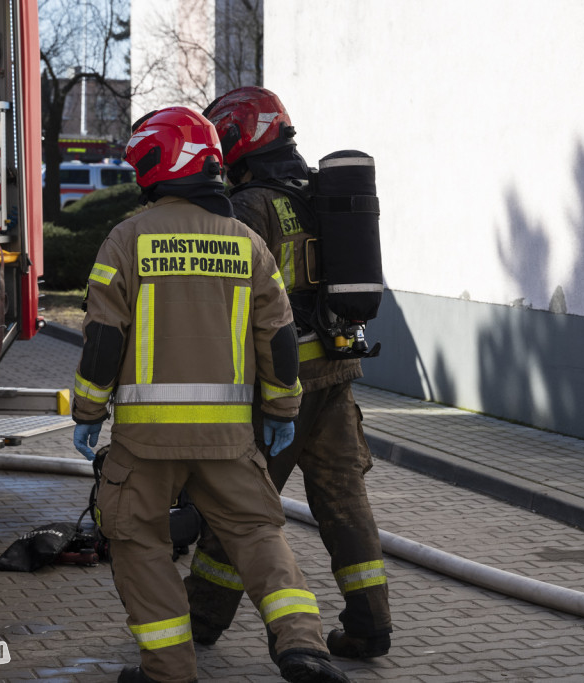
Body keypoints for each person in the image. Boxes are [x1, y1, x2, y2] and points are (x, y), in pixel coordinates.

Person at [71, 106, 350, 683]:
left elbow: (102, 341)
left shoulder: (125, 240)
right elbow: (278, 341)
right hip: (230, 439)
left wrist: (88, 410)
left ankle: (170, 670)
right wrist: (281, 409)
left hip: (145, 443)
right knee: (257, 534)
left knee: (134, 536)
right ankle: (303, 647)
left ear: (155, 165)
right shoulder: (247, 244)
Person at [183, 87, 393, 660]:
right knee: (346, 504)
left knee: (241, 510)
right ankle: (370, 625)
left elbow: (233, 304)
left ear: (238, 139)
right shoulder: (320, 194)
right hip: (338, 373)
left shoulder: (250, 206)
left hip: (282, 386)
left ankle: (199, 621)